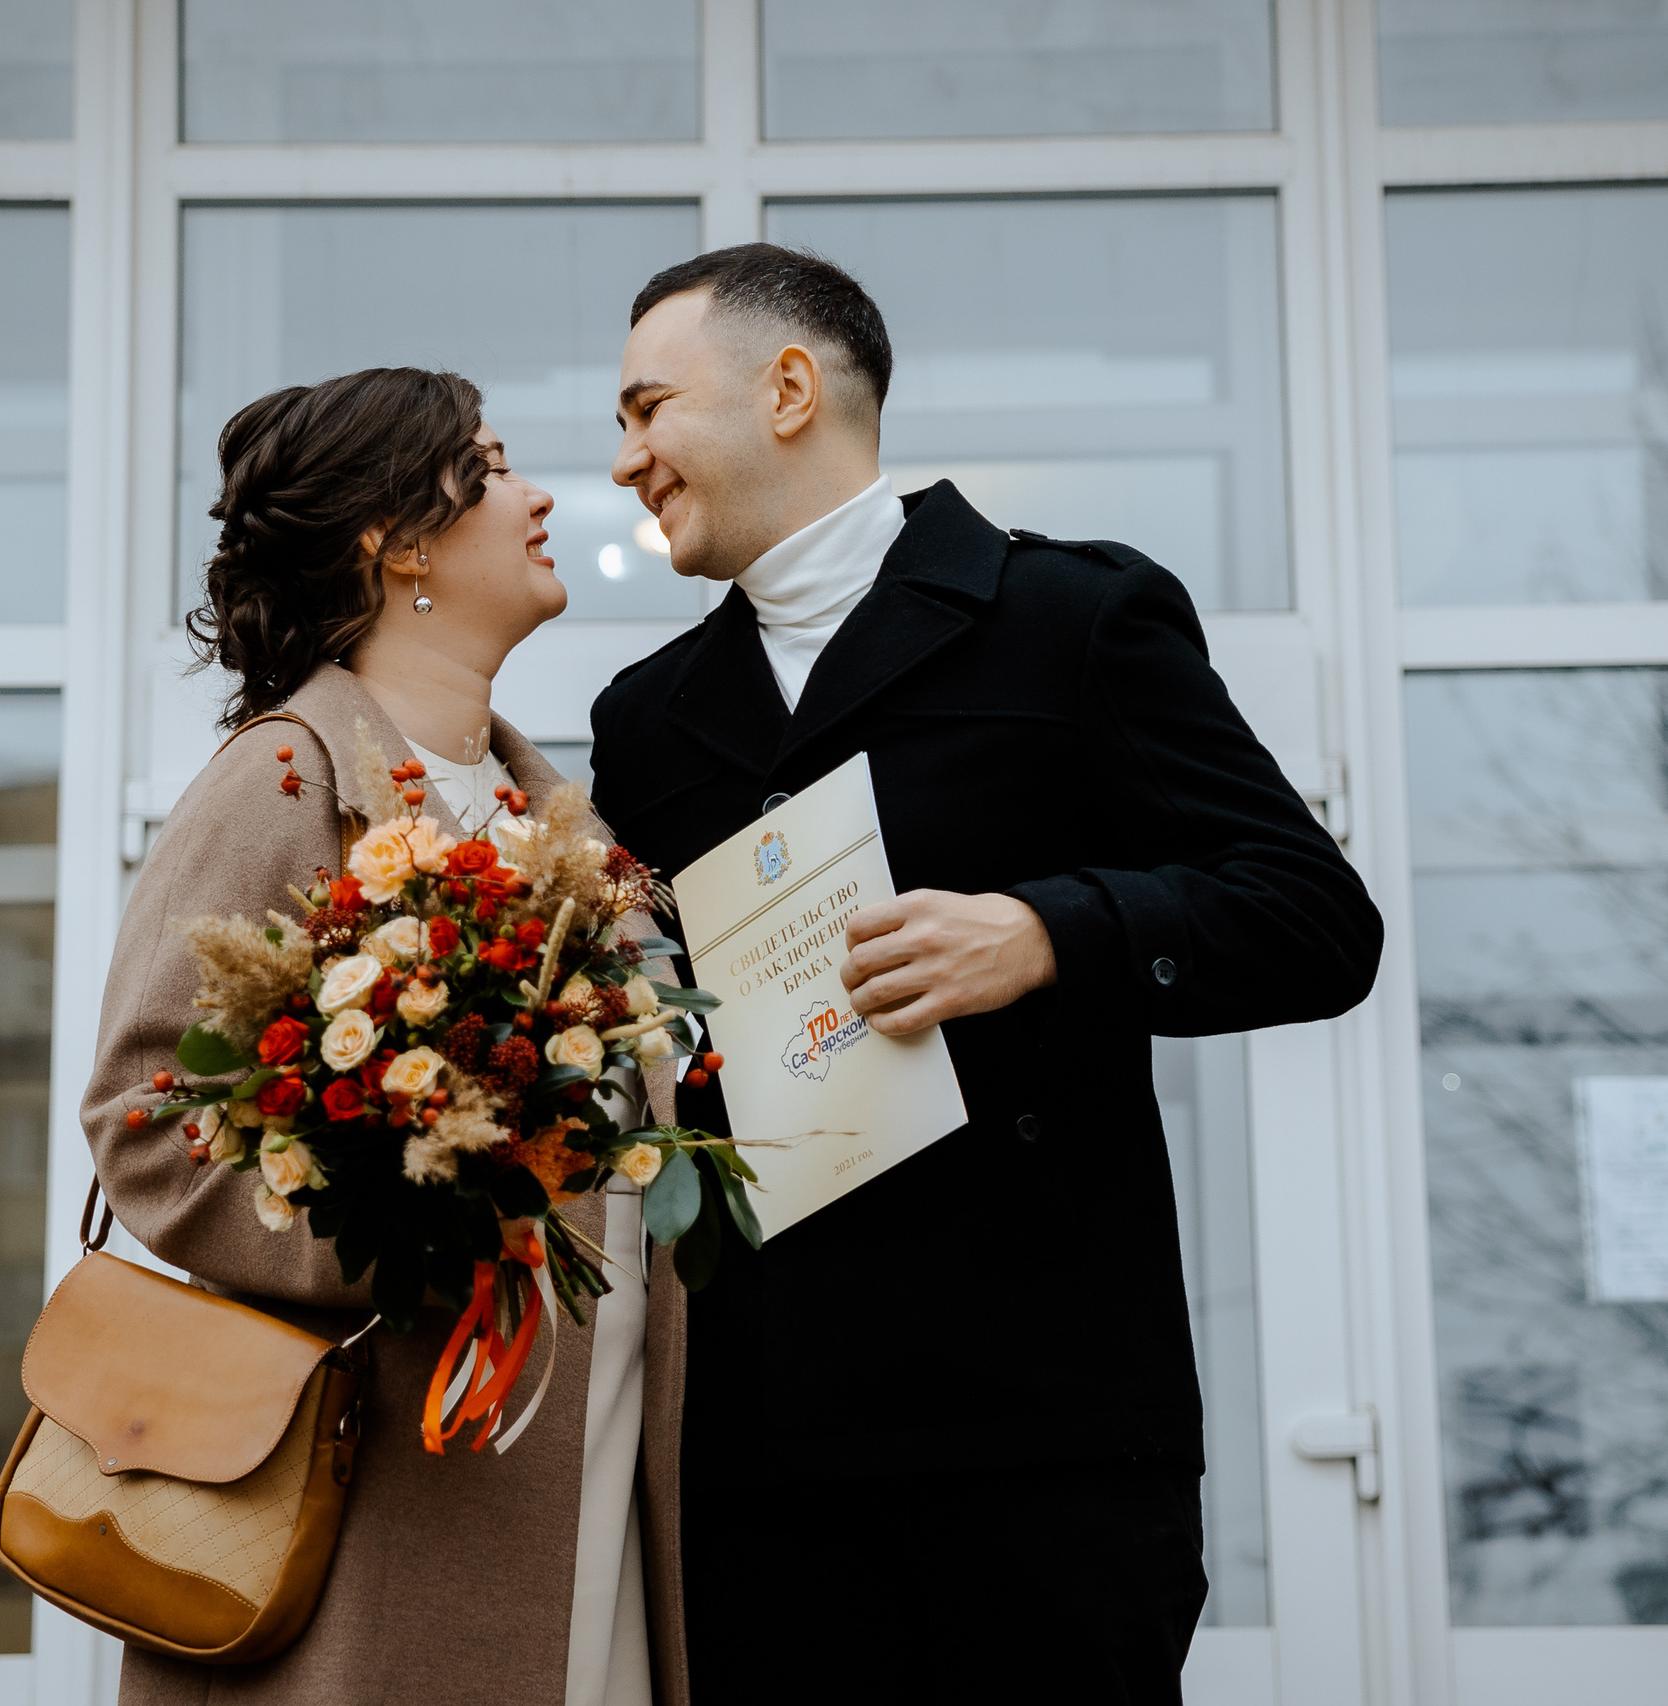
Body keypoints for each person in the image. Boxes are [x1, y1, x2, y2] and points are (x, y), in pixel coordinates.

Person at [589, 246, 1385, 1703]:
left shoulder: (1073, 620)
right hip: (760, 1448)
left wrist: (1047, 933)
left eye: (647, 408)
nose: (625, 457)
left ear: (787, 389)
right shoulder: (644, 721)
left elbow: (1317, 919)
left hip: (1042, 1436)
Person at [82, 367, 678, 1706]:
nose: (540, 497)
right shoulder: (284, 775)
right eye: (498, 462)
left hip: (600, 1465)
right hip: (390, 1508)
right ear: (399, 538)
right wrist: (407, 1235)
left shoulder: (560, 818)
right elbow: (145, 1109)